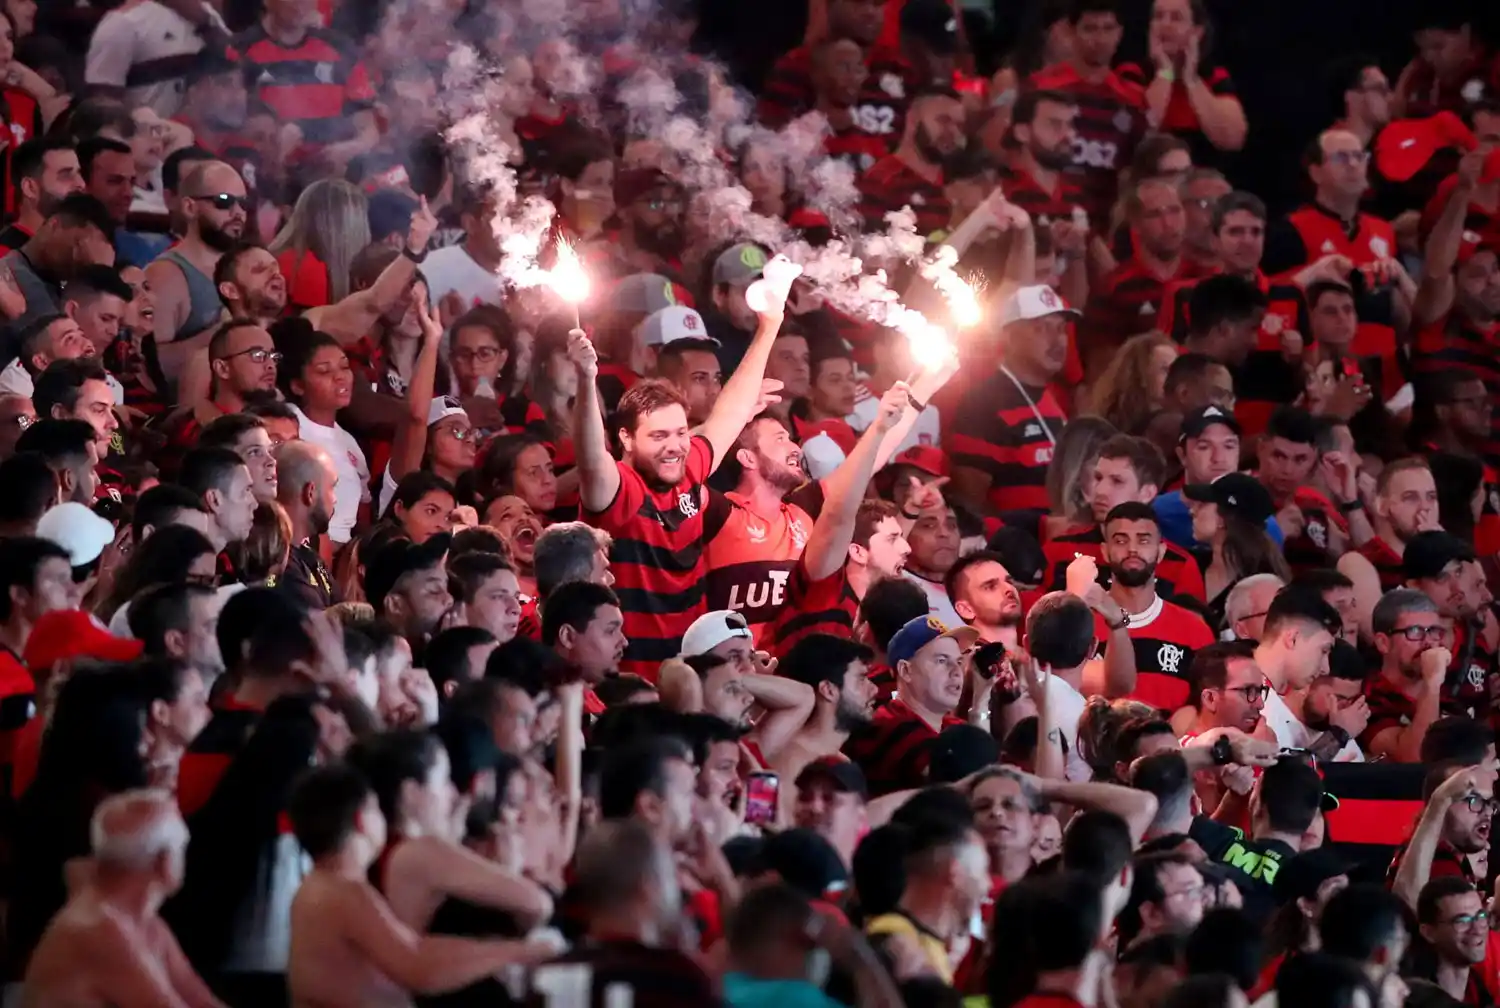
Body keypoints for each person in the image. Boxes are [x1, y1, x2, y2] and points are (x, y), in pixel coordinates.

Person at [573, 268, 784, 677]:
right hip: (636, 683)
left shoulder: (690, 470)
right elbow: (590, 459)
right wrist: (586, 379)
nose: (674, 446)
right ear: (626, 439)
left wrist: (769, 325)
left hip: (693, 676)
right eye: (659, 436)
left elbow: (730, 410)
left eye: (681, 433)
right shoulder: (620, 491)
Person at [284, 762, 559, 1008]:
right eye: (375, 808)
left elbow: (414, 950)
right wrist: (514, 953)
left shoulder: (324, 887)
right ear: (361, 820)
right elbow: (417, 965)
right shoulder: (343, 893)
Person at [20, 788, 223, 1008]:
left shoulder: (145, 924)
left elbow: (201, 1001)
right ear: (164, 861)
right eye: (183, 846)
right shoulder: (101, 931)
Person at [950, 285, 1073, 515]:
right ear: (1009, 337)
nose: (1058, 340)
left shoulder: (1051, 397)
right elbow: (970, 504)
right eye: (1041, 328)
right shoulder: (983, 404)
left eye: (1061, 328)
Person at [1095, 502, 1215, 710]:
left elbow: (1208, 708)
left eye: (1143, 540)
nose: (1132, 549)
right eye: (1121, 541)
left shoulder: (1194, 631)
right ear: (1104, 551)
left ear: (1161, 551)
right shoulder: (1081, 623)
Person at [864, 814, 990, 985]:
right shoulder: (900, 954)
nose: (988, 884)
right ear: (955, 872)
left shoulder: (925, 948)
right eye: (983, 871)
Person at [854, 86, 964, 239]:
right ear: (912, 120)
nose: (954, 132)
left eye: (959, 125)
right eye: (943, 121)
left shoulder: (959, 186)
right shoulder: (880, 181)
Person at [1362, 589, 1451, 762]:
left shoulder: (1446, 696)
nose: (1428, 642)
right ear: (1383, 643)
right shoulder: (1369, 702)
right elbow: (1416, 757)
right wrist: (1432, 684)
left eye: (1433, 631)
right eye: (1415, 631)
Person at [1185, 472, 1290, 615]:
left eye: (1202, 505)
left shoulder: (1262, 586)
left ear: (1223, 518)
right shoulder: (1189, 563)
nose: (1192, 511)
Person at [1411, 877, 1491, 1004]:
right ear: (1428, 933)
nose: (1477, 929)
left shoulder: (1480, 991)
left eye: (1480, 916)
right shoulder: (1409, 997)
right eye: (1462, 921)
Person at [0, 138, 84, 255]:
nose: (81, 184)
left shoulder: (72, 252)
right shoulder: (5, 256)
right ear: (30, 188)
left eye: (79, 173)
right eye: (65, 175)